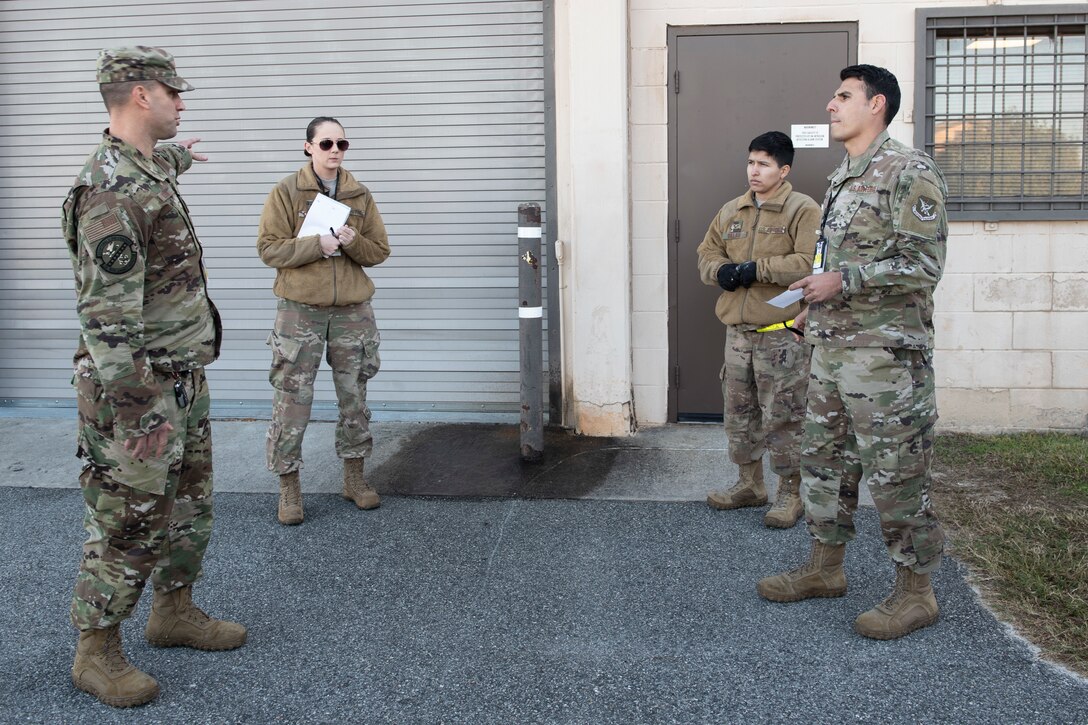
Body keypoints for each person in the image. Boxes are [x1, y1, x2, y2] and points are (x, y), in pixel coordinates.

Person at [62, 46, 246, 708]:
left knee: (189, 506)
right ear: (142, 95)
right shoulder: (110, 191)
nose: (182, 103)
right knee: (127, 519)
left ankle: (173, 612)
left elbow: (155, 168)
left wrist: (177, 157)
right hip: (137, 389)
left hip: (180, 377)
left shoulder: (144, 168)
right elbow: (106, 320)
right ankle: (96, 651)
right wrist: (140, 410)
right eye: (174, 93)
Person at [756, 65, 948, 641]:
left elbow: (924, 264)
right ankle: (825, 568)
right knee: (825, 464)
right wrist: (814, 305)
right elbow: (835, 258)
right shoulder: (842, 176)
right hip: (832, 350)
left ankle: (916, 593)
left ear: (877, 104)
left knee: (897, 472)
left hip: (885, 360)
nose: (831, 104)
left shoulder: (909, 171)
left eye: (844, 96)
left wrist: (845, 280)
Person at [257, 116, 390, 525]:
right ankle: (289, 488)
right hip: (301, 311)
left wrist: (353, 242)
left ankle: (354, 479)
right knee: (292, 400)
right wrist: (318, 244)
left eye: (341, 144)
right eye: (326, 143)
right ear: (309, 147)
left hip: (352, 311)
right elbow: (269, 249)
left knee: (354, 398)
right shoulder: (286, 192)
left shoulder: (359, 195)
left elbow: (379, 251)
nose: (335, 150)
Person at [696, 131, 820, 528]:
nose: (754, 170)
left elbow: (809, 262)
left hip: (781, 333)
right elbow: (706, 253)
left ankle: (790, 494)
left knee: (784, 415)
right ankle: (750, 484)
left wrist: (756, 270)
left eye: (764, 164)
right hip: (738, 334)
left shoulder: (803, 209)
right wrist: (720, 270)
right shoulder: (732, 210)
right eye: (751, 162)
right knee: (739, 412)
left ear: (784, 171)